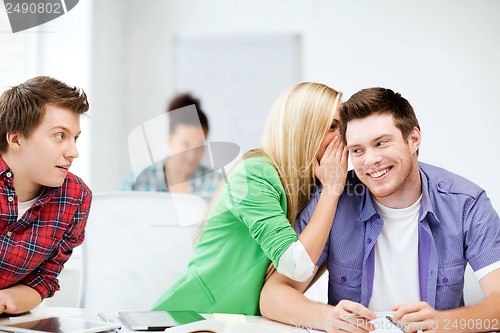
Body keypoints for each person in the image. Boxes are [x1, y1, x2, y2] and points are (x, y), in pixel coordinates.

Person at [260, 87, 500, 333]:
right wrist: (327, 318)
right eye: (357, 150)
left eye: (381, 143)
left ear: (413, 139)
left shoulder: (466, 203)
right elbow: (273, 295)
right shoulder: (333, 200)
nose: (370, 160)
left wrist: (443, 323)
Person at [152, 82, 347, 315]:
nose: (343, 137)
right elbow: (296, 266)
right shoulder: (254, 174)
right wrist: (332, 190)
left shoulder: (312, 187)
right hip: (189, 318)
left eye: (343, 127)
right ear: (304, 129)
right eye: (333, 126)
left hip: (239, 322)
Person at [0, 76, 91, 314]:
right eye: (60, 135)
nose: (74, 152)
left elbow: (44, 280)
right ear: (16, 138)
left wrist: (6, 299)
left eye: (75, 138)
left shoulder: (76, 198)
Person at [121, 93, 222, 198]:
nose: (192, 156)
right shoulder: (137, 181)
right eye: (185, 145)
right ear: (170, 140)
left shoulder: (216, 183)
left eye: (200, 145)